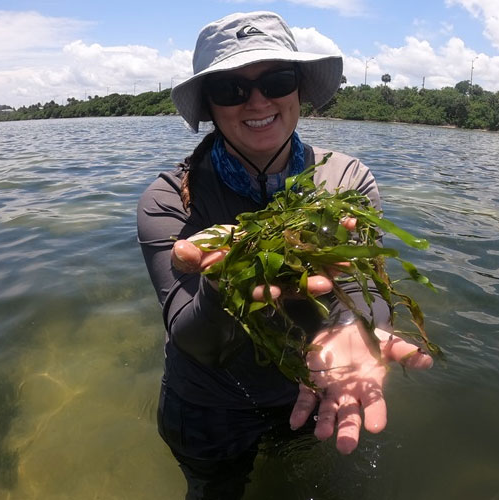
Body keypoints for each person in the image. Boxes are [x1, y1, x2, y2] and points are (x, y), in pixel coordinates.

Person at [137, 11, 433, 499]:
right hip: (206, 409)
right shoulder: (169, 201)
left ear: (298, 90)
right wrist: (221, 283)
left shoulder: (348, 180)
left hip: (311, 384)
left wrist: (360, 329)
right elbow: (195, 339)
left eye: (276, 80)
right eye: (232, 89)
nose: (258, 100)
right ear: (210, 105)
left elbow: (361, 281)